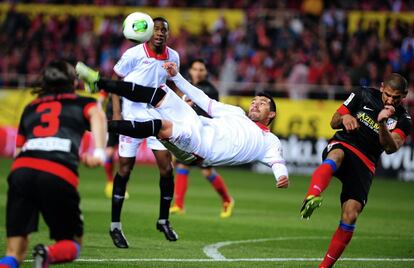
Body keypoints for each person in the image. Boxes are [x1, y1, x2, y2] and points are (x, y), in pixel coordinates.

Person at [76, 61, 290, 190]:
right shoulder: (236, 112)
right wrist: (176, 77)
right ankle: (98, 81)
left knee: (160, 126)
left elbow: (278, 164)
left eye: (262, 103)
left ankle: (100, 125)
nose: (256, 103)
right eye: (255, 100)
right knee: (158, 94)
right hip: (196, 123)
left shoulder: (269, 141)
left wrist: (282, 177)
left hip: (200, 148)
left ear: (271, 114)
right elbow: (202, 99)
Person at [0, 60, 107, 268]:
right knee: (72, 244)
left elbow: (18, 152)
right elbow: (98, 116)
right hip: (57, 171)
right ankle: (47, 254)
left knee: (13, 253)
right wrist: (99, 153)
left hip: (21, 171)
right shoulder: (83, 103)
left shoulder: (30, 108)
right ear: (73, 83)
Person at [299, 73, 411, 267]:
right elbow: (334, 120)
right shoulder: (362, 94)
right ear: (382, 87)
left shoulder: (404, 119)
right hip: (345, 144)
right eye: (388, 95)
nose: (391, 100)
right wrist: (346, 117)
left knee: (351, 215)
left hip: (366, 162)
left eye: (396, 97)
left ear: (405, 96)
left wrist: (382, 123)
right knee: (336, 156)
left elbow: (391, 148)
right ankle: (312, 195)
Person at [108, 16, 180, 248]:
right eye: (156, 29)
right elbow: (114, 81)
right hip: (132, 116)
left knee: (167, 169)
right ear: (149, 31)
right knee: (125, 169)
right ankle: (115, 226)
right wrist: (117, 113)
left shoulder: (174, 56)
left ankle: (163, 220)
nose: (160, 33)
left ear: (167, 34)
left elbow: (174, 83)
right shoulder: (134, 54)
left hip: (157, 118)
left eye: (164, 30)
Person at [170, 59, 234, 218]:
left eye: (201, 69)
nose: (198, 72)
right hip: (192, 134)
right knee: (184, 167)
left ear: (205, 73)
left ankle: (227, 200)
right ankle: (179, 204)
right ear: (190, 71)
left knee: (204, 171)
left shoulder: (209, 90)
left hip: (205, 136)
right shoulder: (187, 86)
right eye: (195, 69)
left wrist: (182, 97)